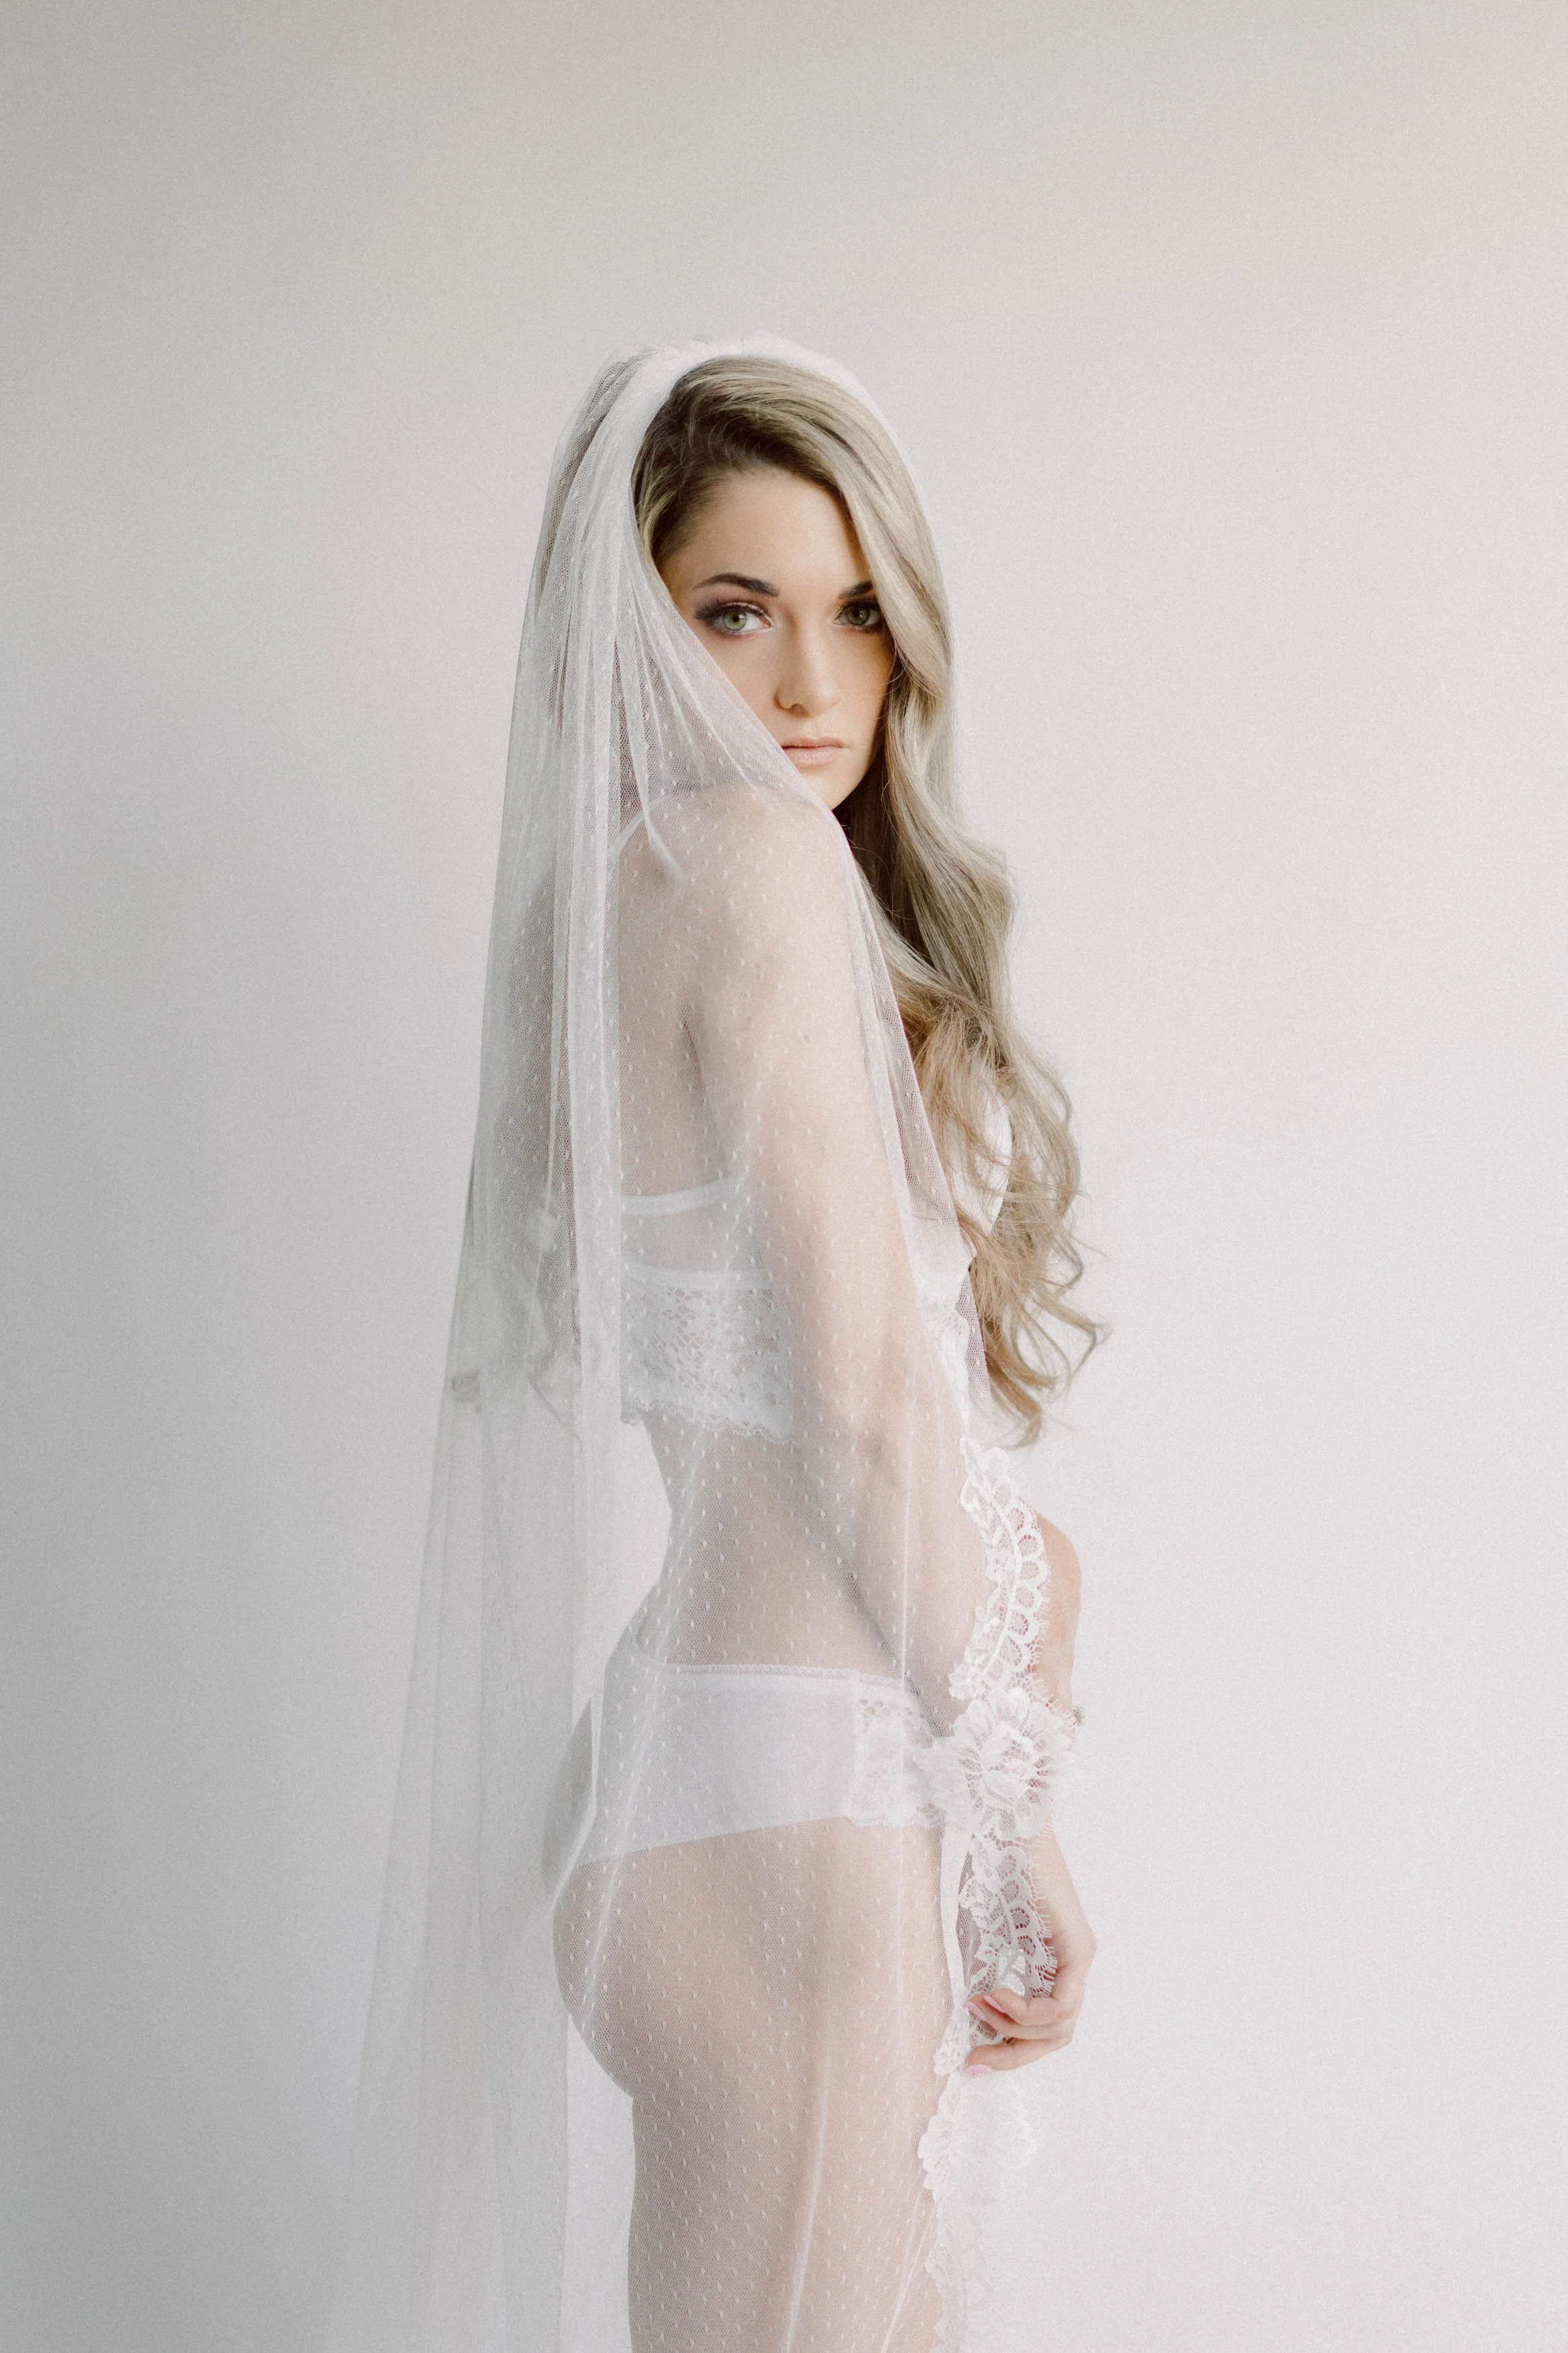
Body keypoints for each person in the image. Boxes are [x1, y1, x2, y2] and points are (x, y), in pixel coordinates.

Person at [322, 337, 1100, 2353]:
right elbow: (851, 1406)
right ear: (631, 624)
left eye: (854, 613)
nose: (807, 684)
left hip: (730, 1782)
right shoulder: (744, 870)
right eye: (732, 611)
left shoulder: (618, 903)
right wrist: (1013, 1806)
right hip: (805, 1813)